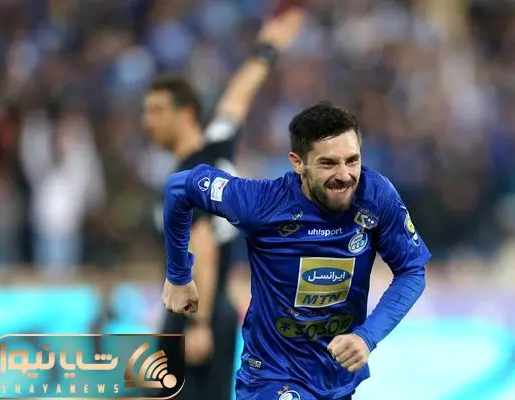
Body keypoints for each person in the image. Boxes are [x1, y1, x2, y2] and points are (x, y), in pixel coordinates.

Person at [162, 101, 431, 399]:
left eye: (352, 160)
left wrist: (366, 337)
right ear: (297, 163)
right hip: (272, 376)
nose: (344, 175)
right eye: (328, 163)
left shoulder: (376, 196)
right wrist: (179, 275)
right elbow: (178, 189)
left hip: (336, 378)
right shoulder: (261, 202)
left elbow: (411, 270)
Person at [143, 8, 305, 400]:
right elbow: (238, 97)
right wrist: (267, 48)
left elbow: (202, 243)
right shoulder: (218, 146)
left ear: (186, 114)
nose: (148, 122)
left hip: (196, 310)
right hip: (217, 308)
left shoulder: (187, 175)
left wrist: (196, 323)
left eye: (157, 111)